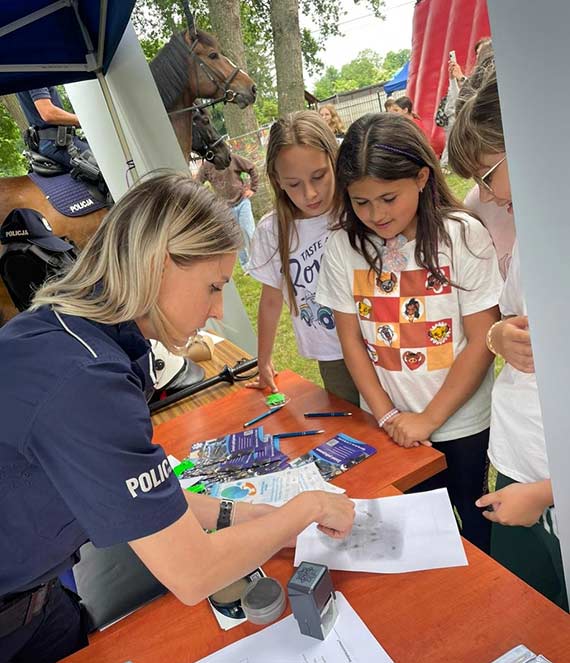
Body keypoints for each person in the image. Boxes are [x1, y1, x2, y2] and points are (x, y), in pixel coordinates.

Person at [0, 172, 355, 662]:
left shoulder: (76, 333)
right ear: (158, 263)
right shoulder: (85, 379)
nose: (215, 311)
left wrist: (245, 514)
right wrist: (309, 508)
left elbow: (146, 500)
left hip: (36, 600)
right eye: (213, 287)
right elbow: (193, 575)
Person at [316, 112, 503, 552]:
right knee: (411, 529)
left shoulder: (463, 236)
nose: (376, 215)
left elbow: (482, 340)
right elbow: (352, 342)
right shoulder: (343, 247)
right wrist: (386, 416)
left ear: (421, 177)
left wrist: (429, 419)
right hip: (390, 425)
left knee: (474, 519)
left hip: (461, 423)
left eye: (388, 198)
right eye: (360, 202)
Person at [448, 68, 569, 611]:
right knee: (524, 618)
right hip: (518, 465)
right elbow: (509, 317)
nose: (487, 194)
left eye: (488, 172)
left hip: (542, 491)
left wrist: (545, 496)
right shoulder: (534, 235)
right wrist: (497, 334)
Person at [246, 111, 359, 406]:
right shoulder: (272, 231)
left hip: (378, 344)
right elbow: (271, 300)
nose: (310, 193)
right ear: (277, 180)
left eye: (319, 176)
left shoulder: (358, 208)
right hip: (332, 354)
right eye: (294, 184)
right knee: (356, 426)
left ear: (333, 161)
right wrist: (264, 359)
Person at [197, 152, 259, 269]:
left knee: (248, 231)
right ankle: (246, 265)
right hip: (226, 208)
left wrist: (253, 188)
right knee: (235, 237)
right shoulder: (206, 167)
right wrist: (209, 201)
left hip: (242, 202)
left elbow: (251, 168)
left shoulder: (231, 158)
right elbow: (197, 184)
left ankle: (257, 262)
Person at [16, 86, 90, 169]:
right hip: (57, 142)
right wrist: (86, 120)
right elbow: (48, 114)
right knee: (104, 161)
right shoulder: (34, 74)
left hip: (54, 140)